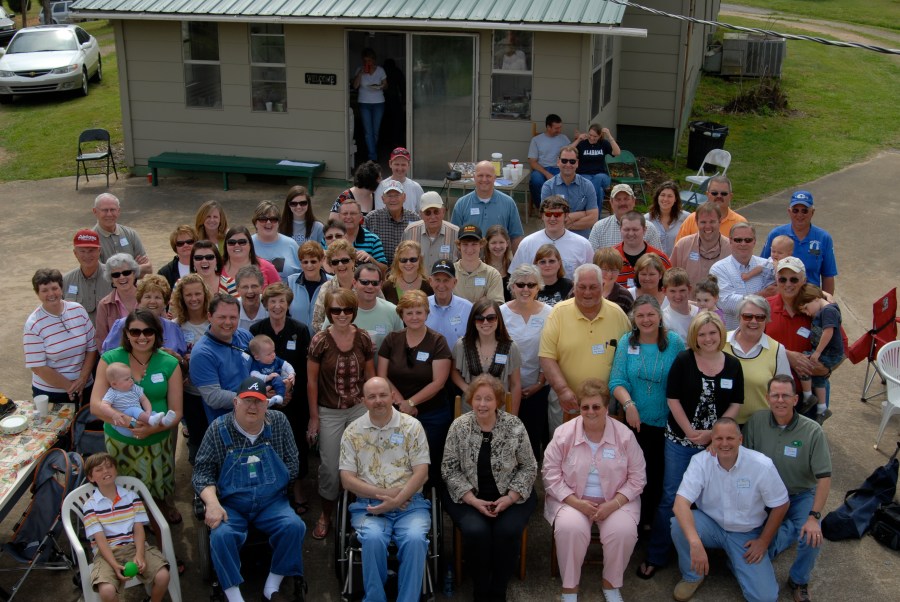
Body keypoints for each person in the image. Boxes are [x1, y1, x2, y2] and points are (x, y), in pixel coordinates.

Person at [641, 311, 743, 580]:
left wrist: (714, 435)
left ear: (721, 334)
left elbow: (736, 403)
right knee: (672, 496)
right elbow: (672, 399)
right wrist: (688, 431)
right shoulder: (684, 360)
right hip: (680, 442)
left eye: (713, 333)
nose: (708, 338)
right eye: (702, 334)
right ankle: (657, 554)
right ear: (694, 337)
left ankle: (701, 552)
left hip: (715, 446)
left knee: (711, 498)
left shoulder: (733, 365)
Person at [193, 376, 307, 602]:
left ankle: (272, 587)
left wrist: (276, 487)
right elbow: (202, 473)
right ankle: (234, 596)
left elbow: (292, 461)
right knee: (221, 535)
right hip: (232, 505)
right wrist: (212, 503)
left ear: (267, 404)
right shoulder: (218, 429)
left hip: (271, 503)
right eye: (247, 400)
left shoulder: (279, 423)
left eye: (258, 401)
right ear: (236, 402)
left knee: (294, 526)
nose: (252, 407)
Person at [542, 379, 647, 602]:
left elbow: (638, 477)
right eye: (585, 407)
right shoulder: (563, 434)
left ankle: (611, 585)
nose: (590, 412)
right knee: (570, 528)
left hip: (616, 501)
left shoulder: (625, 436)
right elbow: (550, 474)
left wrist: (613, 504)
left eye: (596, 406)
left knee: (623, 531)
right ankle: (569, 588)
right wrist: (576, 503)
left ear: (606, 408)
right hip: (572, 500)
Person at [670, 418, 788, 602]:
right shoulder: (700, 462)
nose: (724, 444)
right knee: (678, 523)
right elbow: (680, 504)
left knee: (765, 598)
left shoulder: (761, 465)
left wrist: (763, 542)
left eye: (730, 438)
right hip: (711, 525)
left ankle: (741, 558)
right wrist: (695, 542)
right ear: (712, 439)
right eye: (719, 438)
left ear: (740, 439)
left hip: (745, 534)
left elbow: (781, 503)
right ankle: (693, 576)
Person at [442, 374, 537, 602]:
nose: (482, 404)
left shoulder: (514, 426)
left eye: (488, 399)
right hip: (469, 497)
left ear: (498, 402)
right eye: (478, 398)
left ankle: (498, 590)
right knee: (477, 532)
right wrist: (473, 501)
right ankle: (480, 589)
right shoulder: (459, 426)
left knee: (507, 531)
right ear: (470, 400)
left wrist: (510, 498)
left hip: (511, 495)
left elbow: (529, 467)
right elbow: (449, 469)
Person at [339, 377, 431, 602]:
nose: (378, 400)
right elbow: (347, 480)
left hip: (410, 504)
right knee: (372, 539)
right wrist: (388, 496)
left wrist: (398, 499)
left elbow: (422, 473)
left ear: (393, 396)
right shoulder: (352, 432)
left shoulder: (412, 426)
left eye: (383, 395)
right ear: (363, 401)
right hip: (368, 505)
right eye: (372, 396)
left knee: (415, 539)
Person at [744, 376, 832, 602]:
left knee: (812, 536)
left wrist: (814, 517)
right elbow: (745, 462)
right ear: (767, 398)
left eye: (785, 395)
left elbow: (824, 478)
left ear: (795, 399)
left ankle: (799, 580)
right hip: (765, 496)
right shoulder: (756, 421)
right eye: (775, 395)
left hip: (799, 495)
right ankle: (788, 530)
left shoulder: (813, 431)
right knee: (752, 548)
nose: (780, 400)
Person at [90, 309, 183, 523]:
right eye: (135, 332)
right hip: (121, 443)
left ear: (157, 333)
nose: (142, 337)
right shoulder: (110, 359)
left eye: (148, 331)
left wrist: (153, 428)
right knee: (126, 492)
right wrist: (127, 423)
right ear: (127, 334)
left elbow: (177, 411)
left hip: (158, 441)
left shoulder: (169, 363)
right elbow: (95, 405)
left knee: (159, 488)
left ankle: (161, 508)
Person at [609, 295, 685, 532]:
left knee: (659, 475)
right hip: (636, 423)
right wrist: (629, 404)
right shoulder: (627, 342)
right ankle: (634, 524)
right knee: (635, 474)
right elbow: (617, 380)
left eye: (650, 314)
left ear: (659, 316)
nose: (646, 320)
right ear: (634, 319)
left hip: (667, 423)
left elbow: (683, 380)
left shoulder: (674, 342)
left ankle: (655, 526)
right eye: (640, 315)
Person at [306, 288, 376, 541]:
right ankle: (326, 514)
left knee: (363, 462)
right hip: (330, 410)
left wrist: (374, 405)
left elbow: (370, 375)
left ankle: (360, 512)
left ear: (354, 311)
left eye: (347, 309)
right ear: (328, 312)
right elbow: (312, 381)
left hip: (359, 408)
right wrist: (314, 417)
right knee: (329, 466)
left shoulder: (363, 338)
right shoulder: (320, 341)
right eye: (336, 310)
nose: (342, 314)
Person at [539, 264, 631, 430]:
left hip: (605, 404)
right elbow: (547, 356)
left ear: (602, 286)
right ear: (574, 287)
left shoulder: (617, 314)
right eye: (582, 287)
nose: (587, 292)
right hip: (567, 402)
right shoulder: (558, 313)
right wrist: (562, 390)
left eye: (593, 287)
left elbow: (629, 356)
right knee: (563, 445)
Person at [377, 290, 452, 482]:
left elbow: (439, 382)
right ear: (401, 315)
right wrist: (402, 403)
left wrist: (411, 402)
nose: (414, 317)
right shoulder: (392, 339)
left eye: (419, 312)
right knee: (397, 457)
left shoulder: (438, 341)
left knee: (430, 459)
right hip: (396, 412)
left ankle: (431, 493)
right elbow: (382, 375)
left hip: (432, 413)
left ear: (427, 313)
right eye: (409, 313)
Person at [81, 452, 171, 602]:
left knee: (163, 576)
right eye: (99, 469)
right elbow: (100, 540)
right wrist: (114, 565)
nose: (106, 471)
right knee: (107, 591)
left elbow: (138, 529)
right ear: (91, 478)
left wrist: (140, 554)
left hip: (134, 547)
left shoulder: (132, 497)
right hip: (106, 554)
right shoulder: (90, 506)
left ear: (116, 470)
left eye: (109, 466)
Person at [765, 257, 835, 416]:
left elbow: (842, 347)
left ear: (804, 280)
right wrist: (786, 355)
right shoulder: (764, 307)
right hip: (774, 395)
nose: (788, 284)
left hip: (810, 396)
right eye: (782, 279)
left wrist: (826, 369)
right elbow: (751, 343)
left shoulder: (820, 309)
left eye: (794, 279)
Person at [500, 264, 553, 460]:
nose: (525, 289)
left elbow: (552, 350)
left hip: (537, 387)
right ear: (512, 286)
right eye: (520, 284)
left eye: (531, 285)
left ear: (538, 287)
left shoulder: (550, 313)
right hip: (505, 387)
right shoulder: (500, 312)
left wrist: (540, 383)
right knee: (506, 437)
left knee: (531, 439)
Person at [25, 268, 97, 405]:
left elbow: (92, 348)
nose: (51, 294)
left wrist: (82, 379)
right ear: (37, 293)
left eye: (54, 288)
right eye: (44, 290)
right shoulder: (33, 324)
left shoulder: (78, 310)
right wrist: (71, 388)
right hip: (51, 394)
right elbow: (37, 367)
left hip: (85, 386)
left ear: (61, 288)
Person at [724, 296, 791, 425]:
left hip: (759, 426)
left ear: (767, 320)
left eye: (760, 317)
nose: (753, 321)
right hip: (721, 426)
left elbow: (785, 390)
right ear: (739, 317)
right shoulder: (720, 342)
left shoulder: (777, 349)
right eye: (747, 316)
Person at [451, 297, 523, 413]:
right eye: (480, 319)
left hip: (500, 410)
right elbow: (454, 371)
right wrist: (467, 389)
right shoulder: (462, 345)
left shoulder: (511, 347)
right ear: (473, 321)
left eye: (491, 318)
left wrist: (513, 416)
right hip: (469, 409)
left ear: (498, 319)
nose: (485, 322)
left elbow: (515, 384)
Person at [189, 294, 253, 422]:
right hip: (227, 424)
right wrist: (253, 397)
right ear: (209, 316)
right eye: (222, 317)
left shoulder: (244, 336)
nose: (228, 322)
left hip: (256, 417)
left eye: (233, 317)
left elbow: (262, 364)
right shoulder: (202, 353)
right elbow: (214, 397)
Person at [170, 274, 212, 464]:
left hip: (213, 390)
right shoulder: (176, 325)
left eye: (198, 294)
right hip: (190, 392)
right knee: (196, 438)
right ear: (182, 297)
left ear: (205, 294)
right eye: (188, 295)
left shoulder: (214, 321)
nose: (194, 299)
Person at [761, 190, 837, 294]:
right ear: (789, 211)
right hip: (781, 296)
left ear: (812, 212)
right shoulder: (776, 234)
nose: (800, 214)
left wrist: (826, 301)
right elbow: (762, 266)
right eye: (795, 210)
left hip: (810, 297)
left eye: (804, 211)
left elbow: (828, 275)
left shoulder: (823, 238)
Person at [323, 263, 402, 358]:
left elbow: (400, 347)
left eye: (375, 283)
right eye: (365, 282)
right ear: (354, 283)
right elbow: (324, 342)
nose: (370, 286)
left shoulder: (392, 311)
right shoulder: (340, 311)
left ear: (380, 285)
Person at [709, 222, 776, 330]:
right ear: (730, 241)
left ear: (754, 242)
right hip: (730, 335)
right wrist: (762, 295)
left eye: (748, 240)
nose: (743, 244)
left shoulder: (767, 266)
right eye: (738, 240)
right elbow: (726, 302)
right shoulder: (718, 269)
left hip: (762, 333)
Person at [509, 196, 594, 279]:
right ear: (542, 216)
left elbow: (592, 276)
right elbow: (515, 276)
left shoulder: (583, 244)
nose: (552, 218)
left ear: (566, 215)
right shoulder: (527, 243)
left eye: (557, 214)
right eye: (548, 214)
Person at [102, 275, 187, 357]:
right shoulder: (123, 325)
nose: (152, 301)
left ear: (165, 303)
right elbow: (107, 356)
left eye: (157, 297)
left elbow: (183, 360)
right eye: (147, 297)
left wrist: (175, 357)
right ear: (139, 301)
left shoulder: (173, 328)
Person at [795, 284, 844, 423]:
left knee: (803, 362)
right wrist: (826, 294)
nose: (807, 313)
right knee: (819, 379)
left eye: (806, 308)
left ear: (816, 298)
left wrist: (817, 352)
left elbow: (828, 332)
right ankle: (822, 409)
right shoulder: (827, 305)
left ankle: (808, 397)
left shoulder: (828, 311)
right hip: (830, 352)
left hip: (829, 352)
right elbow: (816, 292)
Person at [450, 161, 524, 250]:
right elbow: (454, 236)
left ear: (495, 178)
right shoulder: (461, 204)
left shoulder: (508, 203)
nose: (484, 179)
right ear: (474, 177)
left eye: (488, 176)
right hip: (471, 256)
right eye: (480, 175)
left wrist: (516, 259)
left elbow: (516, 236)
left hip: (498, 256)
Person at [669, 202, 731, 292]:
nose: (708, 226)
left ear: (720, 221)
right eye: (703, 222)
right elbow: (669, 278)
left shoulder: (731, 249)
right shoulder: (683, 245)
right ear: (696, 222)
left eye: (712, 222)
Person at [102, 362, 176, 437]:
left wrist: (148, 411)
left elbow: (144, 400)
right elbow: (104, 405)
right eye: (127, 379)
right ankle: (150, 419)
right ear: (114, 384)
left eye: (131, 377)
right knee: (133, 409)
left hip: (137, 420)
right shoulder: (112, 392)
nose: (131, 380)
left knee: (152, 413)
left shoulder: (134, 388)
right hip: (122, 425)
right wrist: (114, 414)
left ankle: (163, 421)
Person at [539, 146, 599, 237]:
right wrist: (582, 214)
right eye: (564, 161)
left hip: (582, 239)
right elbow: (546, 217)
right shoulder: (548, 186)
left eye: (572, 161)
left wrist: (564, 223)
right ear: (558, 162)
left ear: (577, 163)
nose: (568, 164)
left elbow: (593, 219)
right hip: (556, 238)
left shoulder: (587, 185)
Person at [91, 193, 152, 276]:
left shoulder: (131, 234)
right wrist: (134, 268)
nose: (109, 214)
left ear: (118, 211)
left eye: (112, 210)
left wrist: (111, 271)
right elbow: (96, 274)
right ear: (95, 211)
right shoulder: (91, 240)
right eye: (105, 210)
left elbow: (148, 268)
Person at [588, 184, 662, 251]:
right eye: (618, 199)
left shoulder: (649, 228)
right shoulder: (599, 228)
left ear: (634, 201)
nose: (622, 203)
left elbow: (658, 259)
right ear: (611, 203)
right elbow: (590, 258)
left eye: (626, 199)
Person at [675, 176, 746, 243]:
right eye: (714, 193)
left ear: (730, 196)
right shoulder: (692, 219)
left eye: (724, 193)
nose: (719, 196)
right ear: (707, 194)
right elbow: (679, 248)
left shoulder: (740, 223)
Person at [63, 228, 113, 324]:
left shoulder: (114, 277)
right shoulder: (65, 281)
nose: (87, 255)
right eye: (82, 251)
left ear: (99, 251)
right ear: (75, 253)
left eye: (91, 250)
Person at [365, 179, 419, 265]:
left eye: (397, 195)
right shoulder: (372, 218)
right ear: (383, 199)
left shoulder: (415, 219)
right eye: (389, 196)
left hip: (407, 268)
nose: (393, 199)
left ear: (404, 197)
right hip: (378, 269)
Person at [403, 191, 459, 269]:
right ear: (421, 214)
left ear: (443, 212)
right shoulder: (410, 232)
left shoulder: (456, 233)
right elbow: (401, 261)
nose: (432, 217)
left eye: (436, 212)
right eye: (428, 213)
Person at [96, 253, 141, 350]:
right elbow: (101, 340)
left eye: (126, 273)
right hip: (117, 356)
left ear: (134, 273)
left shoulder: (149, 298)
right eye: (116, 275)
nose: (121, 277)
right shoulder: (104, 305)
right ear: (111, 279)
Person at [425, 259, 473, 349]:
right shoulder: (422, 305)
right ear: (430, 281)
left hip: (458, 358)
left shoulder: (468, 308)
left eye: (446, 280)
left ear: (454, 282)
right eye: (437, 280)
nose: (441, 285)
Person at [311, 239, 358, 331]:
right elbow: (316, 323)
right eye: (335, 262)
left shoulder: (366, 282)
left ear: (353, 260)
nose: (340, 265)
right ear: (331, 265)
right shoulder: (326, 288)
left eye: (345, 260)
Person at [614, 212, 671, 287]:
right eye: (626, 229)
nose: (631, 233)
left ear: (644, 230)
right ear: (620, 230)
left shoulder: (660, 259)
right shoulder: (611, 257)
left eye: (635, 230)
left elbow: (670, 287)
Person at [287, 241, 330, 336]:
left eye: (313, 261)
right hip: (295, 339)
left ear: (322, 260)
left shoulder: (332, 283)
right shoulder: (290, 282)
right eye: (305, 262)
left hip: (322, 339)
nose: (309, 265)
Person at [454, 224, 505, 304]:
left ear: (481, 244)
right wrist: (482, 303)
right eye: (465, 244)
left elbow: (496, 306)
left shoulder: (493, 275)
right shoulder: (450, 272)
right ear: (459, 245)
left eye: (474, 244)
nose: (469, 249)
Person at [529, 114, 571, 209]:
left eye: (560, 127)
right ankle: (542, 209)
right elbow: (532, 162)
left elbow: (571, 153)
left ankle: (561, 209)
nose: (559, 130)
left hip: (559, 169)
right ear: (548, 127)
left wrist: (579, 139)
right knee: (536, 181)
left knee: (565, 180)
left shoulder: (564, 138)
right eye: (556, 128)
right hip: (541, 169)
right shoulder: (536, 140)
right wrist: (546, 173)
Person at [252, 200, 301, 282]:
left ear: (279, 223)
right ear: (255, 222)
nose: (268, 222)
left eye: (273, 219)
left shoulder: (291, 245)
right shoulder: (247, 244)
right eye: (263, 219)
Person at [221, 225, 280, 292]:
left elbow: (280, 293)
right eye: (231, 242)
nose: (236, 245)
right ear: (226, 245)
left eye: (242, 242)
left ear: (250, 244)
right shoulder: (217, 267)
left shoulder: (267, 267)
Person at [353, 48, 388, 162]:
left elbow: (386, 85)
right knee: (368, 132)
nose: (367, 63)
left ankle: (372, 152)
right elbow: (355, 86)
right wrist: (360, 74)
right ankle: (372, 156)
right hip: (364, 103)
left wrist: (381, 86)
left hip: (378, 103)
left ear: (374, 60)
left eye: (369, 60)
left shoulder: (380, 70)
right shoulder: (360, 70)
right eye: (365, 61)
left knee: (375, 131)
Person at [575, 123, 620, 205]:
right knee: (599, 190)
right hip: (584, 174)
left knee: (598, 177)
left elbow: (617, 152)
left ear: (600, 136)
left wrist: (609, 136)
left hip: (602, 175)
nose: (592, 138)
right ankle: (595, 213)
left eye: (595, 136)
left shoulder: (603, 143)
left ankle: (586, 202)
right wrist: (578, 140)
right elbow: (568, 150)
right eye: (590, 135)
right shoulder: (582, 144)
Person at [338, 199, 388, 271]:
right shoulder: (330, 238)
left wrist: (371, 260)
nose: (348, 217)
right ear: (339, 216)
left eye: (353, 213)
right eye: (345, 214)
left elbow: (385, 270)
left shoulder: (373, 239)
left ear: (361, 217)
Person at [373, 146, 425, 214]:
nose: (400, 168)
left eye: (403, 165)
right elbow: (379, 214)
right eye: (397, 164)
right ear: (390, 164)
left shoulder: (416, 187)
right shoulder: (381, 187)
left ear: (409, 165)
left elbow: (422, 213)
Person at [645, 181, 690, 257]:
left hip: (678, 261)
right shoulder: (647, 219)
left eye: (670, 196)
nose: (665, 199)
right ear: (657, 197)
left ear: (675, 199)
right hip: (655, 262)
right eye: (662, 195)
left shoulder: (686, 218)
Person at [382, 240, 433, 305]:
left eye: (413, 259)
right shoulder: (387, 286)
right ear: (397, 261)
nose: (408, 263)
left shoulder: (429, 286)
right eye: (403, 260)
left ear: (420, 259)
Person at [248, 334, 294, 406]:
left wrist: (291, 373)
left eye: (273, 351)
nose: (273, 355)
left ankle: (279, 397)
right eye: (269, 354)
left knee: (279, 379)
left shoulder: (276, 360)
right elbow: (253, 374)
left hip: (276, 380)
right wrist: (267, 377)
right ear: (257, 357)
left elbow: (287, 365)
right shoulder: (256, 364)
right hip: (265, 383)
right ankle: (266, 400)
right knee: (260, 387)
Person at [662, 268, 698, 344]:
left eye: (682, 290)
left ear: (689, 289)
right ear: (664, 291)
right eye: (672, 291)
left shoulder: (700, 312)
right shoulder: (663, 319)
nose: (678, 296)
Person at [157, 225, 196, 290]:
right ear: (175, 247)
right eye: (180, 243)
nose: (185, 245)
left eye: (189, 242)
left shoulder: (206, 266)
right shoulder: (165, 273)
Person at [484, 225, 514, 301]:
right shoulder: (479, 266)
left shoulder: (513, 267)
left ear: (507, 243)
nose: (498, 246)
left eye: (501, 242)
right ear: (487, 244)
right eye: (493, 243)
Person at [235, 265, 268, 331]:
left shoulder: (270, 307)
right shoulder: (232, 309)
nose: (250, 291)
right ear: (238, 289)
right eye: (245, 287)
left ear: (261, 287)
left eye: (254, 286)